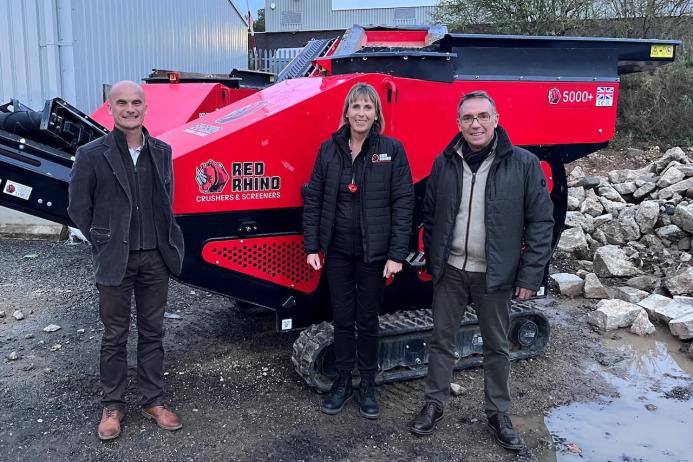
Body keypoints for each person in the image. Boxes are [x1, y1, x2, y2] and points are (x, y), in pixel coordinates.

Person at [409, 91, 554, 450]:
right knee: (441, 340)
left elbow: (540, 222)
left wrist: (529, 275)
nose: (475, 124)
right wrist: (432, 257)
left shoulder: (522, 163)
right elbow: (431, 213)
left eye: (482, 116)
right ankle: (434, 403)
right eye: (468, 118)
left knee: (497, 345)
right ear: (458, 123)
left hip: (495, 274)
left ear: (496, 119)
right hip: (452, 270)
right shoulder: (445, 162)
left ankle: (498, 414)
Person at [68, 80, 185, 441]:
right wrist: (104, 241)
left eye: (136, 102)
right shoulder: (91, 154)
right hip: (115, 260)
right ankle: (112, 406)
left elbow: (167, 200)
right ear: (111, 108)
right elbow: (78, 207)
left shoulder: (162, 151)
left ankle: (153, 400)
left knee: (153, 332)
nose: (130, 109)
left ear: (146, 108)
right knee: (114, 336)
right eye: (122, 103)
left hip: (154, 259)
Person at [303, 83, 414, 419]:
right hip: (336, 251)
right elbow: (315, 199)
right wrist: (312, 246)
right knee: (342, 318)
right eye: (356, 107)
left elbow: (403, 203)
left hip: (374, 254)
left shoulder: (391, 150)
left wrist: (396, 255)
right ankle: (343, 382)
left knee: (367, 320)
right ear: (346, 113)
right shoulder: (329, 149)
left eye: (368, 107)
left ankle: (367, 383)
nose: (362, 113)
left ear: (376, 114)